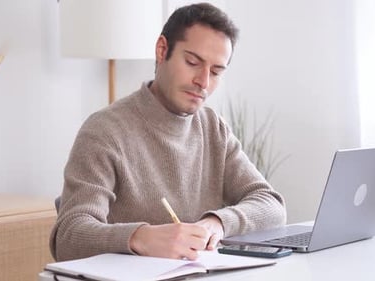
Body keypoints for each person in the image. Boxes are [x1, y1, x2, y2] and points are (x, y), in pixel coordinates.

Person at [50, 2, 286, 262]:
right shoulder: (105, 131)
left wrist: (216, 222)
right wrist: (139, 238)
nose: (204, 82)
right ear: (162, 50)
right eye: (192, 62)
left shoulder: (212, 127)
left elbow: (271, 205)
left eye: (217, 71)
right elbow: (68, 237)